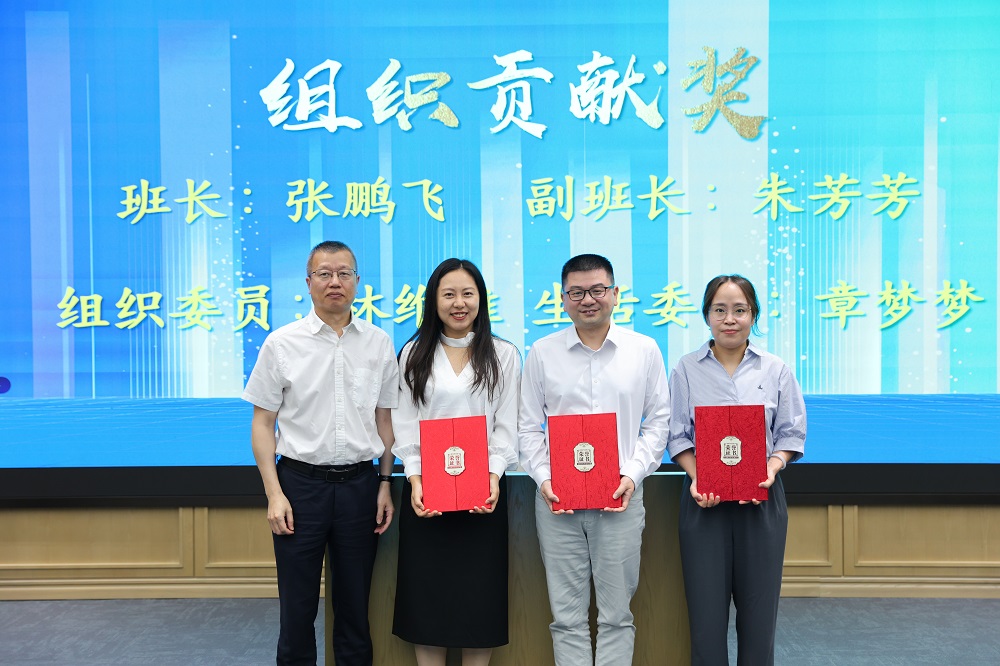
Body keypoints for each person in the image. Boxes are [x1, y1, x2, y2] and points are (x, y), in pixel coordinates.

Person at [242, 240, 398, 666]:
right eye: (324, 273)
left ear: (357, 282)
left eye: (344, 273)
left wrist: (385, 482)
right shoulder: (281, 343)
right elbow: (262, 424)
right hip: (299, 488)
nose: (335, 282)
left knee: (355, 610)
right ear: (308, 282)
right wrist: (274, 494)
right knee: (297, 611)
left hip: (360, 487)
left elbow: (385, 420)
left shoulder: (378, 343)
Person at [518, 253, 670, 666]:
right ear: (563, 299)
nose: (588, 299)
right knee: (566, 618)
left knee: (617, 616)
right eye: (577, 292)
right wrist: (545, 479)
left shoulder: (643, 350)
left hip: (621, 498)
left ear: (615, 294)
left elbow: (659, 422)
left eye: (598, 290)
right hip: (557, 502)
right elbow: (527, 427)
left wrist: (632, 475)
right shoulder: (542, 353)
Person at [667, 274, 806, 666]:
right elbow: (677, 435)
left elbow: (791, 433)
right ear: (706, 316)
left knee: (759, 617)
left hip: (761, 500)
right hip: (703, 500)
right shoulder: (686, 369)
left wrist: (772, 467)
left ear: (753, 315)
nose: (730, 319)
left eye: (740, 310)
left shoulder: (775, 369)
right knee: (705, 618)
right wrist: (698, 476)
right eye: (720, 310)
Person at [391, 258, 520, 666]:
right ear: (433, 301)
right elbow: (404, 421)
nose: (458, 303)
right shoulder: (413, 353)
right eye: (448, 294)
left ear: (481, 299)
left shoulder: (503, 353)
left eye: (468, 293)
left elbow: (507, 423)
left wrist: (493, 476)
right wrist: (415, 479)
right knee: (426, 600)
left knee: (479, 600)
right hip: (427, 492)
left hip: (484, 492)